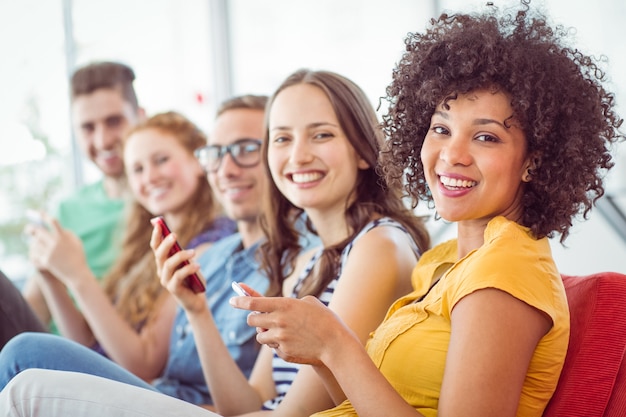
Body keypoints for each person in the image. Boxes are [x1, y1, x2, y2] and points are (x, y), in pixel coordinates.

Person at [2, 2, 622, 417]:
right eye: (439, 128)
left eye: (486, 136)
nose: (451, 155)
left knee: (26, 375)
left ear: (536, 159)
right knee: (26, 373)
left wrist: (334, 343)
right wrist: (198, 310)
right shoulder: (444, 266)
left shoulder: (501, 274)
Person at [0, 67, 430, 416]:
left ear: (363, 150)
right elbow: (246, 402)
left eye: (321, 135)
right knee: (25, 362)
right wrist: (197, 311)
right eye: (281, 138)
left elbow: (290, 414)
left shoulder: (377, 245)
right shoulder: (308, 260)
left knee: (25, 360)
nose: (297, 156)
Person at [0, 95, 273, 405]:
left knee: (20, 345)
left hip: (148, 388)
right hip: (126, 383)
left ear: (197, 161)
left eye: (161, 160)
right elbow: (89, 345)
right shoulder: (147, 244)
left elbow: (141, 364)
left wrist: (78, 276)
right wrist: (52, 277)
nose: (150, 177)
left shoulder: (206, 247)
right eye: (137, 169)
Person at [20, 62, 144, 328]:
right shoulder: (67, 210)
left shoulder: (161, 207)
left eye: (114, 121)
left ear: (140, 118)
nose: (102, 141)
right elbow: (34, 305)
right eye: (88, 128)